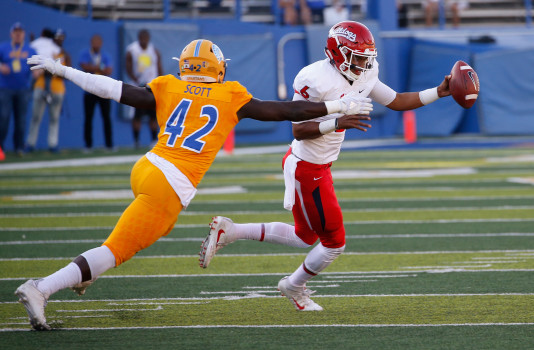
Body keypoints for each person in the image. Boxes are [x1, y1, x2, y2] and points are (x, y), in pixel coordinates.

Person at [16, 38, 374, 330]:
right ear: (218, 67)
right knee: (114, 251)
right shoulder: (230, 93)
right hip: (170, 184)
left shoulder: (168, 85)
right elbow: (288, 111)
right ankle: (41, 288)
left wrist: (63, 69)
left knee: (140, 233)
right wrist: (336, 106)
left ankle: (83, 275)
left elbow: (113, 89)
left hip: (147, 167)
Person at [198, 21, 452, 311]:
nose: (362, 64)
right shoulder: (314, 78)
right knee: (334, 243)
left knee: (304, 236)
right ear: (337, 53)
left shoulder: (366, 72)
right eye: (356, 57)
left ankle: (231, 231)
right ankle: (293, 285)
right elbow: (298, 130)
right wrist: (337, 122)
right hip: (307, 168)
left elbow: (396, 101)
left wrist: (438, 92)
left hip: (317, 167)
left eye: (365, 57)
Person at [25, 28, 66, 154]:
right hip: (41, 86)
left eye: (61, 38)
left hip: (57, 89)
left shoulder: (60, 52)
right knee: (36, 117)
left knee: (54, 118)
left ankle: (52, 144)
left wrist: (45, 69)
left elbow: (63, 72)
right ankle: (30, 144)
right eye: (57, 37)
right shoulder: (52, 48)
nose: (59, 40)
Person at [0, 22, 37, 157]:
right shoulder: (3, 47)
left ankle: (19, 147)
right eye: (15, 31)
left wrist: (37, 72)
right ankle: (1, 147)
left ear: (23, 34)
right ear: (11, 34)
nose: (17, 33)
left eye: (20, 31)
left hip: (23, 89)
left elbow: (37, 65)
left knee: (20, 120)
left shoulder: (29, 49)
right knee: (3, 118)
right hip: (5, 88)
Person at [125, 29, 163, 149]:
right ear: (139, 37)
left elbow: (159, 67)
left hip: (152, 86)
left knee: (153, 115)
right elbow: (128, 67)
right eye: (142, 38)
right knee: (137, 115)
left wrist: (160, 81)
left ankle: (153, 140)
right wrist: (135, 80)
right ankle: (136, 140)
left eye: (146, 38)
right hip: (138, 86)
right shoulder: (132, 50)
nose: (144, 40)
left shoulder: (154, 50)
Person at [79, 34, 114, 152]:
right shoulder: (85, 53)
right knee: (88, 118)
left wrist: (93, 68)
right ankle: (88, 145)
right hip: (89, 90)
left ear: (101, 43)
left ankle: (109, 145)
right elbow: (84, 67)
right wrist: (99, 68)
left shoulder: (105, 55)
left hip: (103, 90)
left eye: (98, 42)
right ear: (91, 43)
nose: (96, 44)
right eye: (94, 42)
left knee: (106, 117)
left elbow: (109, 70)